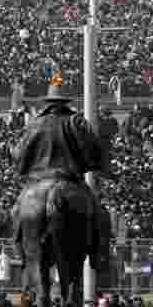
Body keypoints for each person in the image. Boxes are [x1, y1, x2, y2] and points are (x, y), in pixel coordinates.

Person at [11, 74, 111, 267]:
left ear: (48, 103)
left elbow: (18, 155)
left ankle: (19, 251)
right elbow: (94, 151)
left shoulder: (35, 123)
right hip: (70, 179)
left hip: (39, 180)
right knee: (100, 213)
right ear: (65, 103)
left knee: (17, 210)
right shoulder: (76, 122)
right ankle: (100, 255)